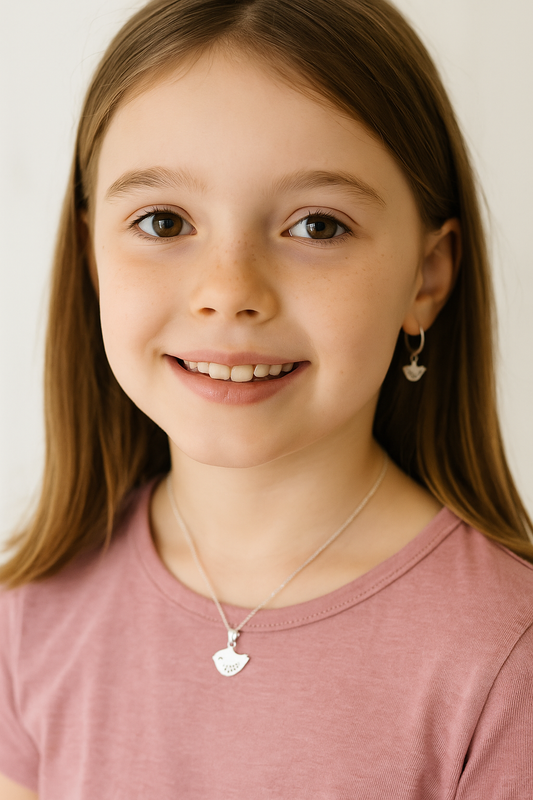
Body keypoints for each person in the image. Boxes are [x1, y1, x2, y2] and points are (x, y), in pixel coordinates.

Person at [1, 0, 532, 796]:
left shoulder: (506, 654)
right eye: (163, 221)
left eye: (317, 226)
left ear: (425, 278)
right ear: (91, 257)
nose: (228, 291)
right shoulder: (29, 618)